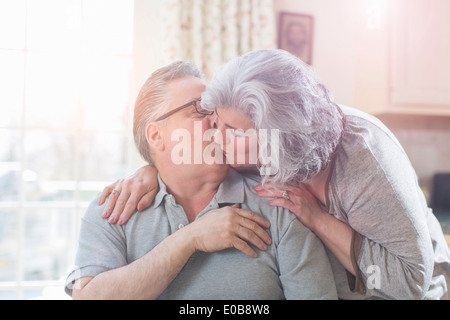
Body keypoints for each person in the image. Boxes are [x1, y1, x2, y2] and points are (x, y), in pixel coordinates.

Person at [100, 50, 450, 300]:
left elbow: (409, 285)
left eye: (230, 130)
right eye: (214, 119)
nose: (214, 135)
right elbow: (182, 160)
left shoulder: (365, 162)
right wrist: (150, 170)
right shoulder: (244, 144)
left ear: (277, 139)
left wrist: (316, 218)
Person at [65, 60, 338, 300]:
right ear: (156, 136)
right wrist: (190, 238)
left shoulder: (279, 202)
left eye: (215, 109)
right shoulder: (113, 209)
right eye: (200, 109)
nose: (218, 120)